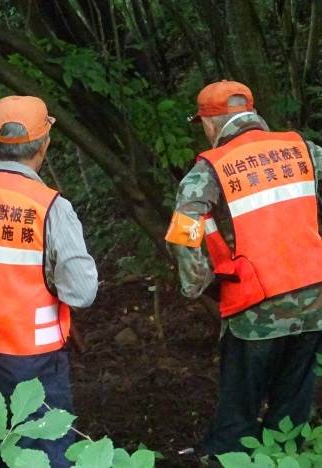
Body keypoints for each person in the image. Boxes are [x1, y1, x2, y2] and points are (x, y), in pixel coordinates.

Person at [0, 95, 98, 467]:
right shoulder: (51, 206)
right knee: (45, 451)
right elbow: (82, 291)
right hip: (32, 358)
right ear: (45, 144)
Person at [166, 80, 322, 458]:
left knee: (239, 408)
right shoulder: (305, 149)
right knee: (293, 407)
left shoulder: (211, 168)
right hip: (315, 301)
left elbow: (183, 230)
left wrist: (195, 283)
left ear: (210, 122)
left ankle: (227, 460)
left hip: (256, 311)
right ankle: (286, 461)